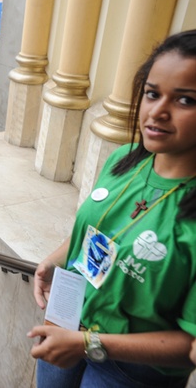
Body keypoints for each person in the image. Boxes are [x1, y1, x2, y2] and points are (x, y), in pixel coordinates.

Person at [28, 30, 196, 387]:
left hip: (131, 369)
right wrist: (54, 260)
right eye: (152, 94)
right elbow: (99, 234)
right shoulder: (124, 160)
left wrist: (90, 343)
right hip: (67, 319)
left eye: (185, 101)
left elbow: (189, 345)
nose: (158, 112)